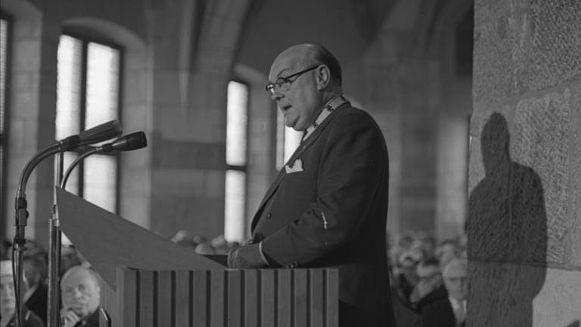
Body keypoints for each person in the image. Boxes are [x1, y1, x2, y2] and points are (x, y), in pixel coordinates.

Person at [227, 43, 394, 326]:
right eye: (271, 87)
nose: (276, 94)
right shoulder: (319, 133)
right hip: (305, 304)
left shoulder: (351, 126)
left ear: (321, 77)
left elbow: (334, 218)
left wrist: (260, 253)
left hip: (338, 307)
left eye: (285, 80)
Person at [420, 258, 467, 327]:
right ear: (445, 282)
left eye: (464, 278)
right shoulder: (431, 311)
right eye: (453, 279)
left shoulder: (484, 307)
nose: (460, 284)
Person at [0, 260, 45, 327]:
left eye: (12, 286)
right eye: (0, 287)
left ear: (22, 289)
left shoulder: (32, 323)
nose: (7, 292)